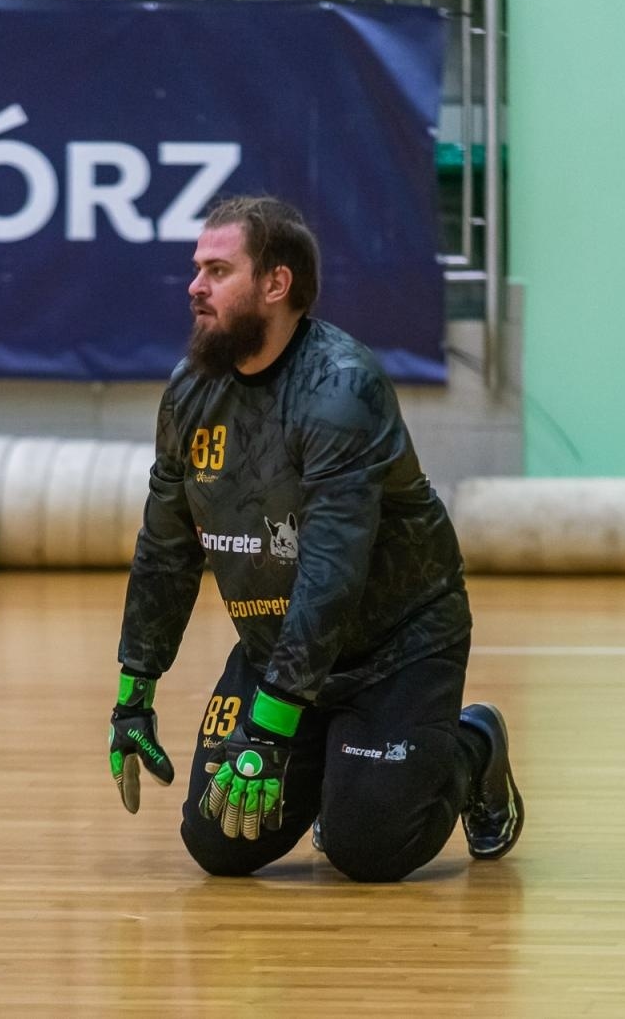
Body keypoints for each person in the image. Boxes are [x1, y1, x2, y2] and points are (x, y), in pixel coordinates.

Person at [106, 195, 524, 882]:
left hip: (395, 646)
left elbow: (331, 573)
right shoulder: (189, 394)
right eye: (196, 268)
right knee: (218, 846)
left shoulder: (341, 388)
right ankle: (339, 758)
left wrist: (270, 730)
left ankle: (472, 744)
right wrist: (134, 691)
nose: (194, 286)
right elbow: (165, 549)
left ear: (276, 284)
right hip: (280, 650)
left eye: (217, 269)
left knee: (370, 851)